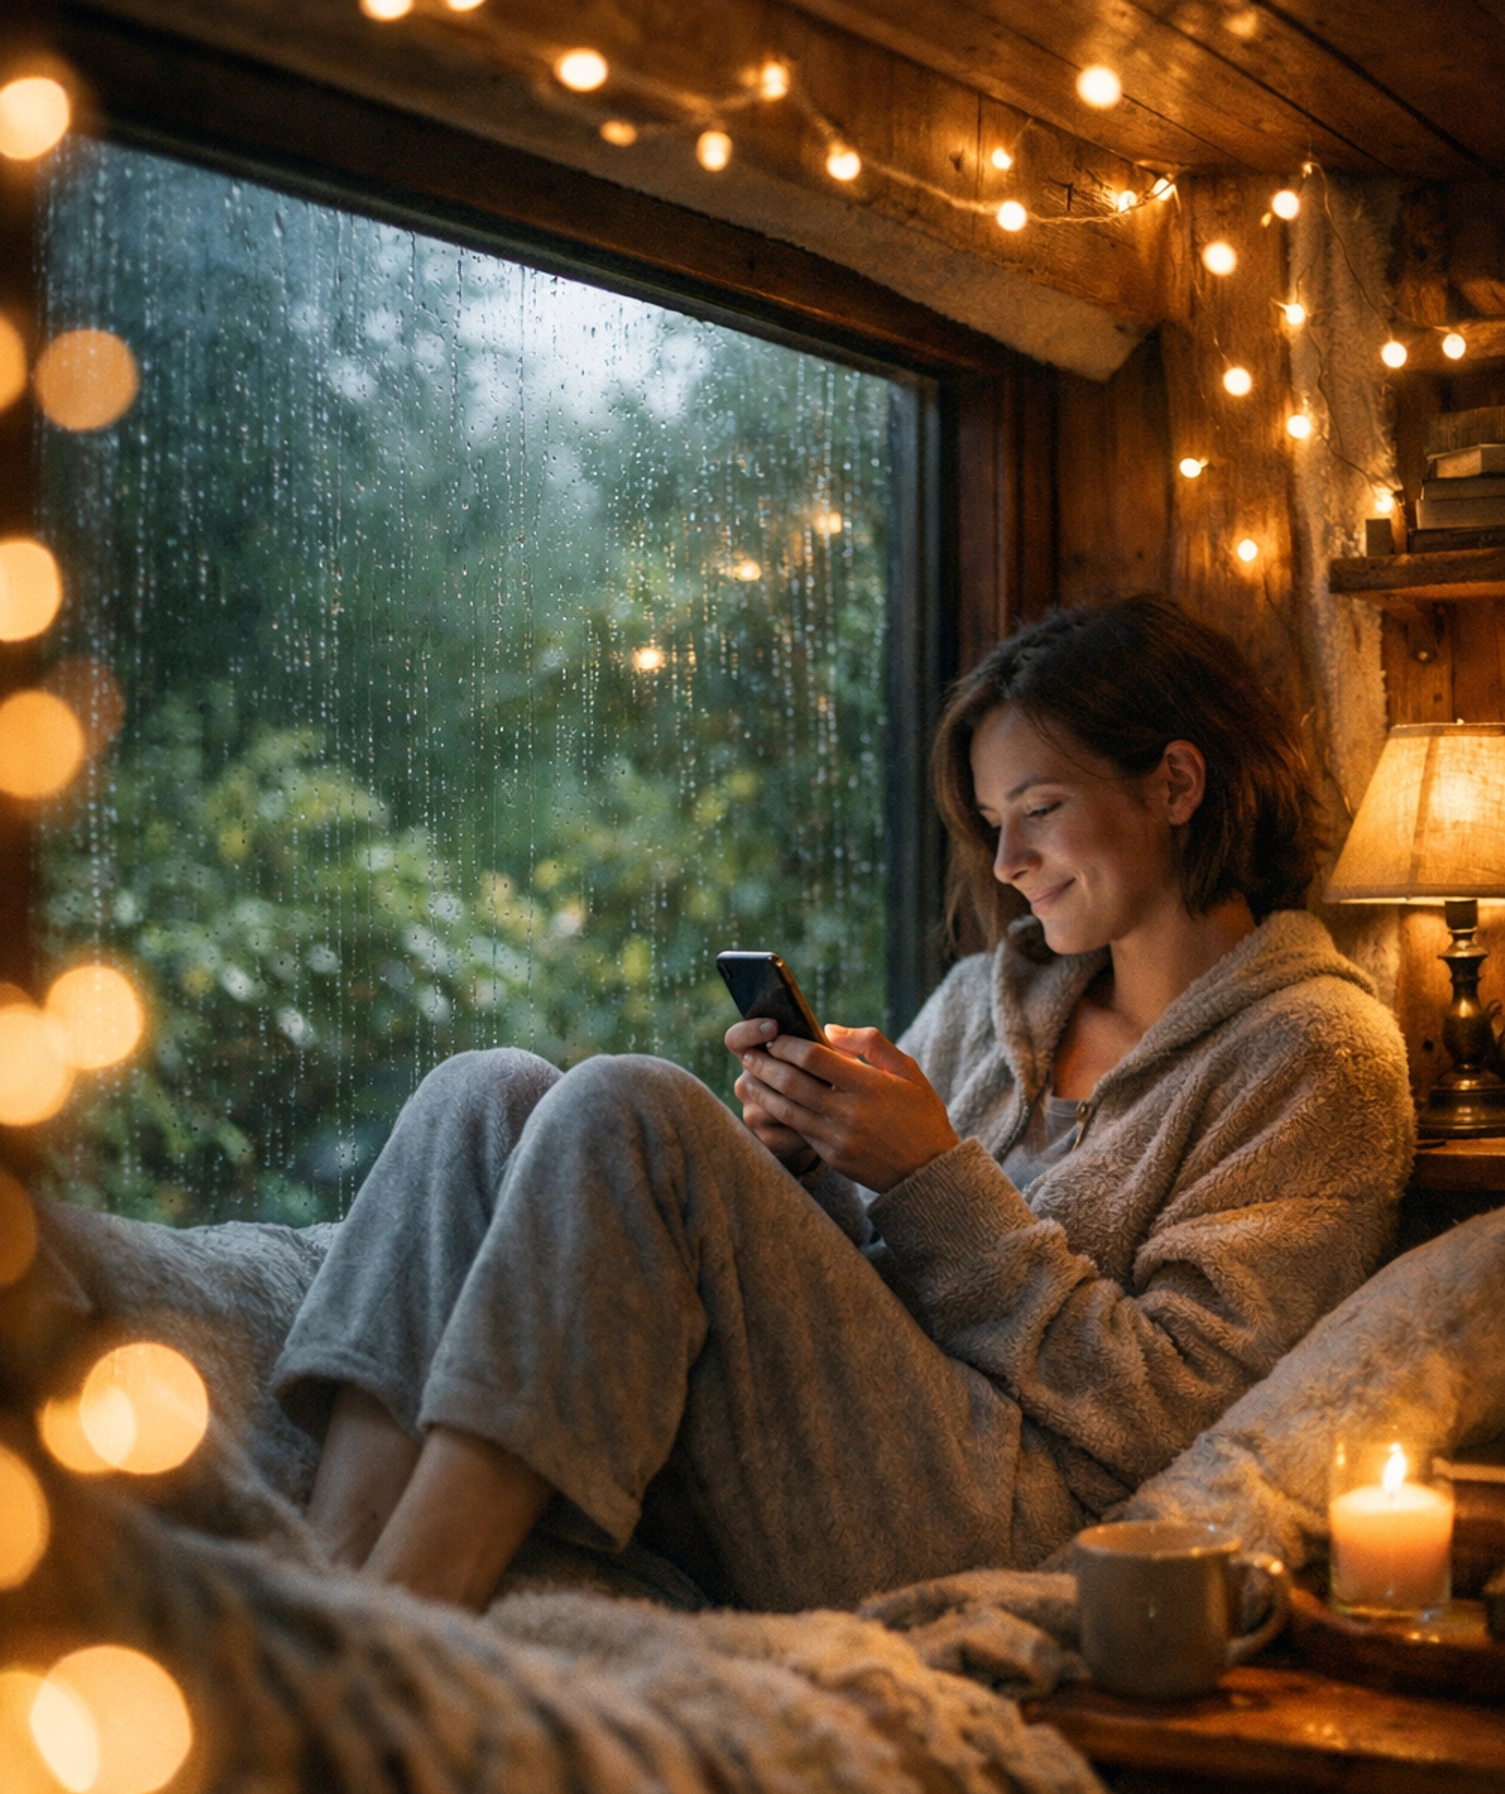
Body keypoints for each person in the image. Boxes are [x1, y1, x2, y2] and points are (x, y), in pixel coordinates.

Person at [273, 596, 1415, 1614]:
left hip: (1018, 1514)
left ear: (1176, 782)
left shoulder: (1315, 1056)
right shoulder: (988, 998)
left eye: (1041, 807)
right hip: (842, 1447)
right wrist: (808, 1163)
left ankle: (396, 1633)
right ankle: (327, 1585)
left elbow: (1179, 1413)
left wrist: (930, 1179)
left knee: (634, 1105)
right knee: (485, 1089)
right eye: (990, 818)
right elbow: (872, 1281)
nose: (1007, 857)